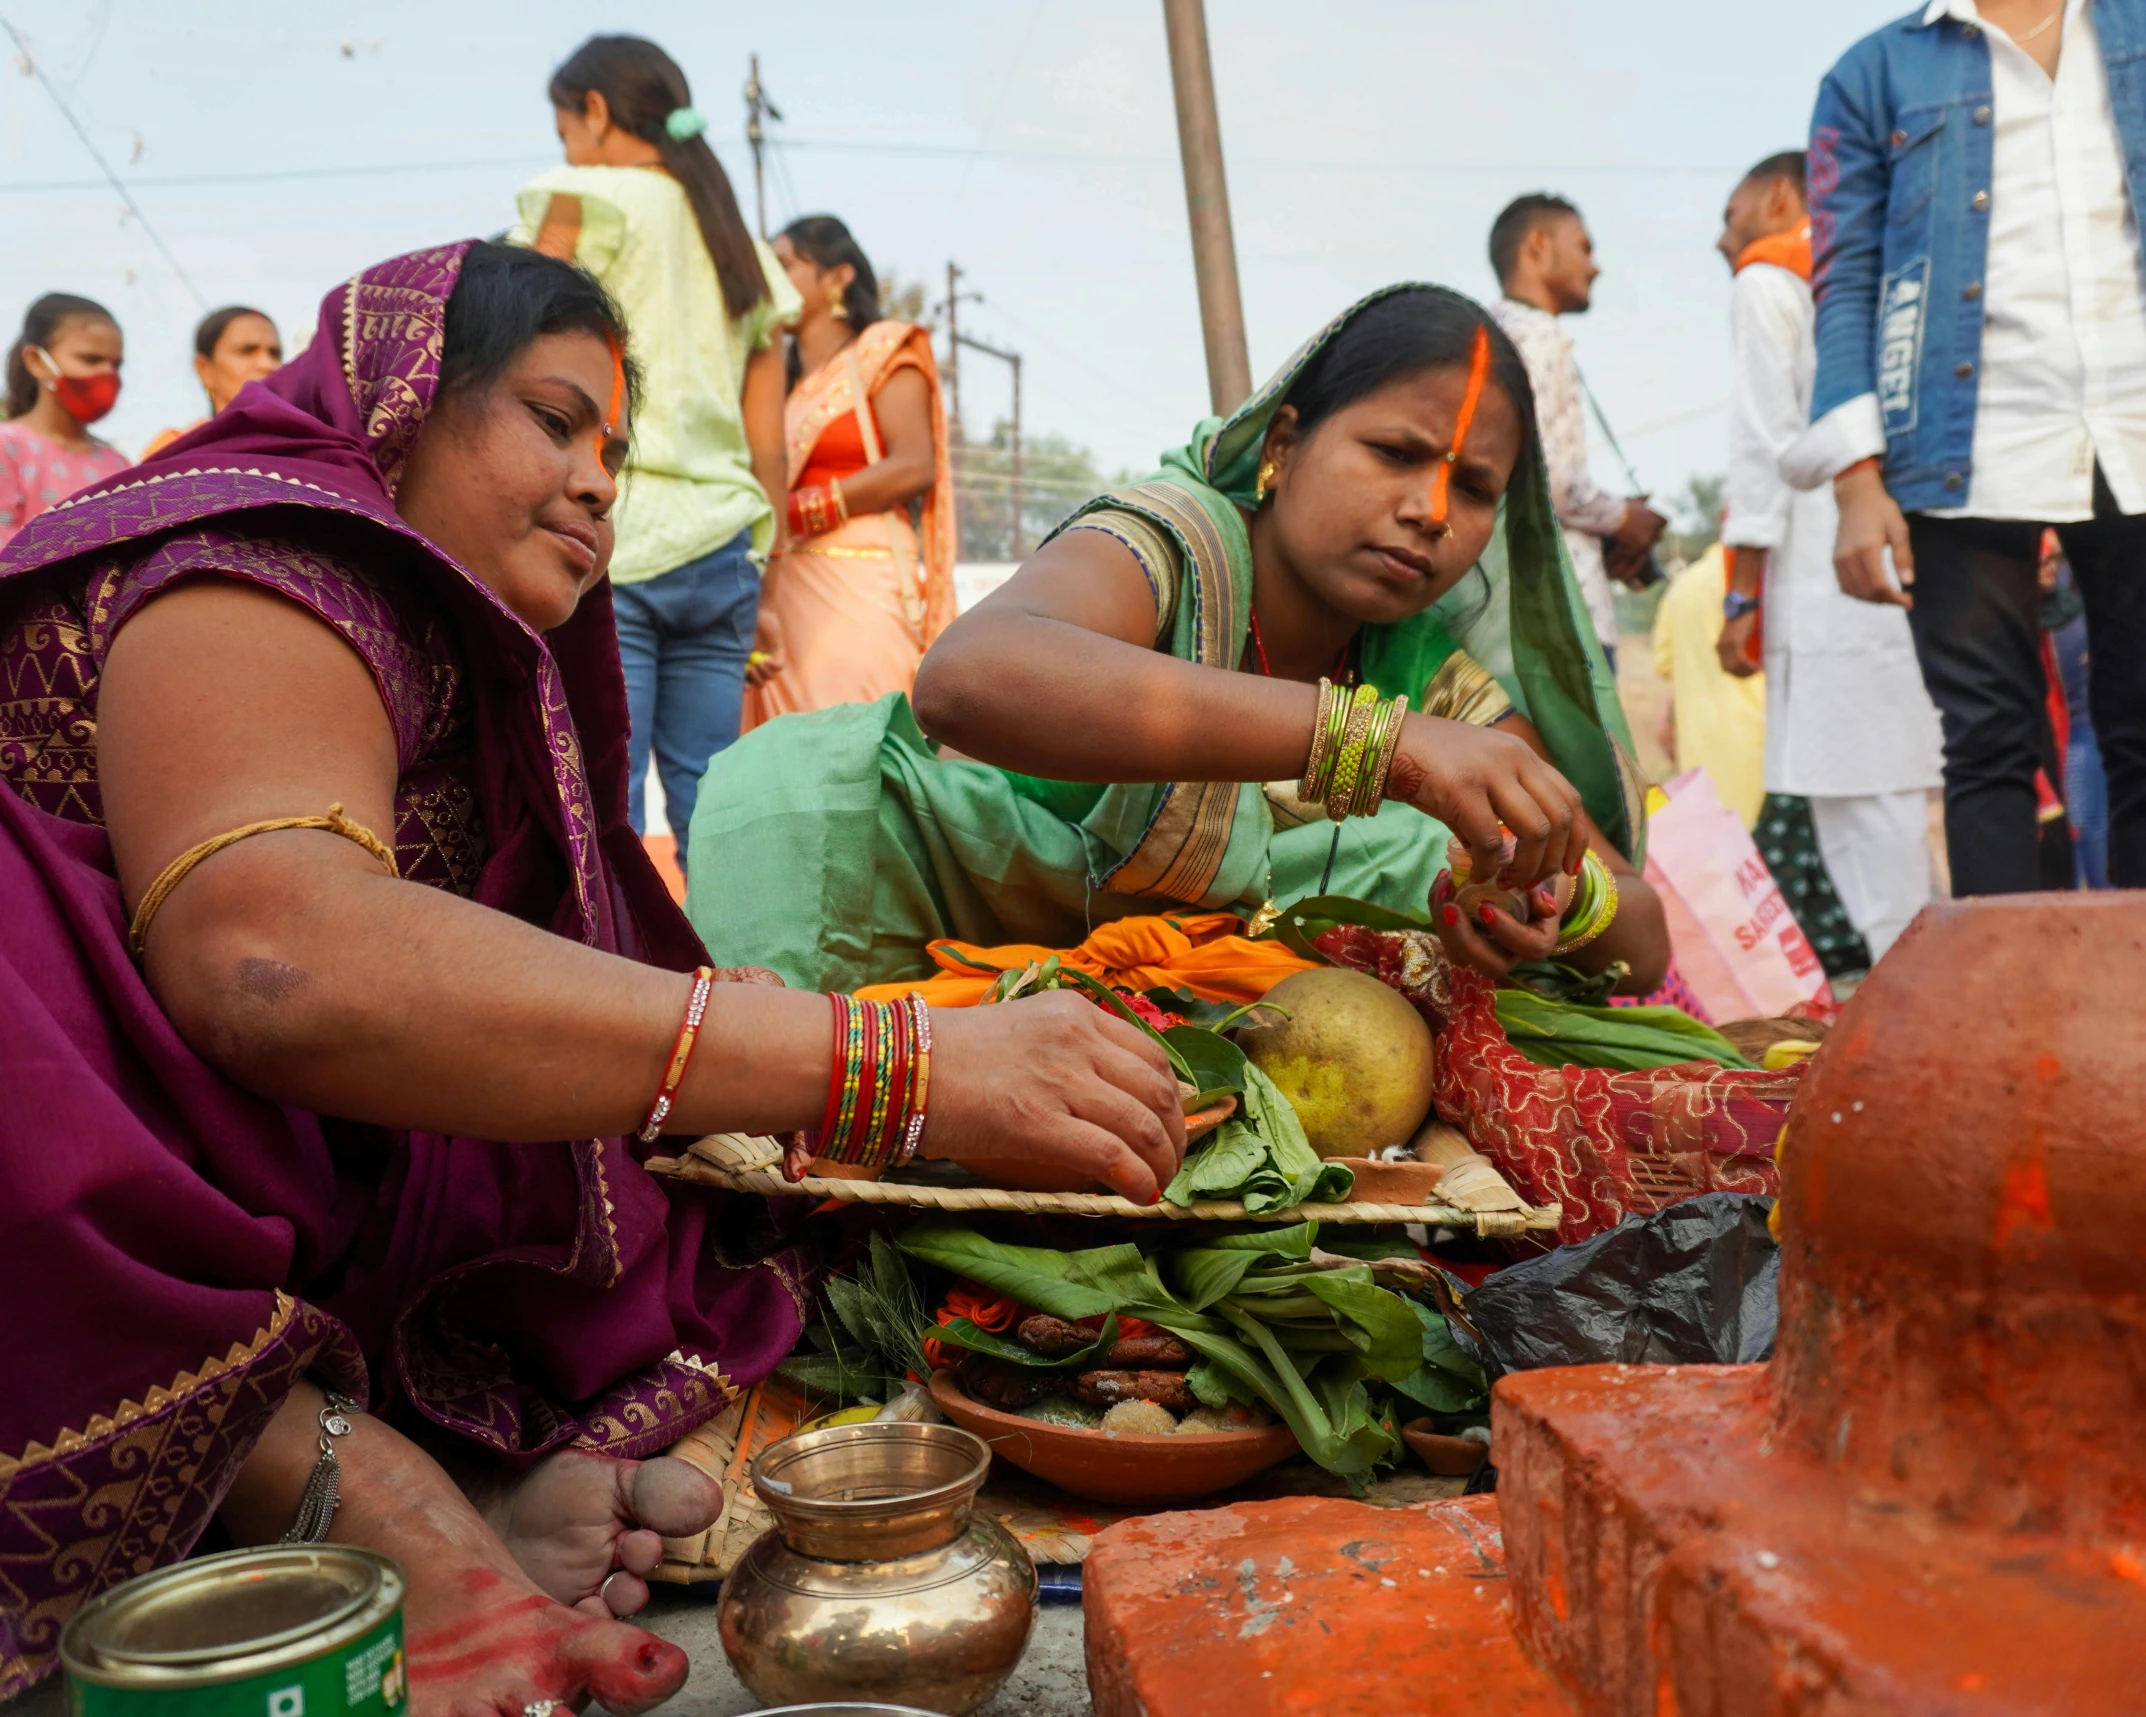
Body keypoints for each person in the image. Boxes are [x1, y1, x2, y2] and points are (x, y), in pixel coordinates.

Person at [0, 242, 1184, 1711]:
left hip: (228, 1152)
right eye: (553, 420)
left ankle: (390, 1459)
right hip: (61, 1140)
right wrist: (893, 1064)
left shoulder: (434, 649)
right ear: (406, 398)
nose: (597, 480)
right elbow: (275, 961)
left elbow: (461, 997)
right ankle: (329, 1474)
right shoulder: (264, 550)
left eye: (615, 447)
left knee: (656, 1154)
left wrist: (732, 1034)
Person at [686, 284, 1668, 999]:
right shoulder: (1171, 539)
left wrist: (1537, 908)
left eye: (1475, 489)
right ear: (1281, 445)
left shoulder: (1428, 675)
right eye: (1394, 454)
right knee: (809, 784)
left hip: (1241, 1020)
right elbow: (968, 678)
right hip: (974, 927)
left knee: (1419, 865)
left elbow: (1645, 928)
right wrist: (1384, 746)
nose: (1428, 511)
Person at [1803, 0, 2146, 893]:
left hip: (2137, 425)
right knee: (1990, 745)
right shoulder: (1874, 75)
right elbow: (1846, 281)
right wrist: (1855, 479)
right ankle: (2018, 1024)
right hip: (1962, 455)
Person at [516, 34, 800, 865]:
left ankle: (622, 990)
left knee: (602, 798)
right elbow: (768, 443)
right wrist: (768, 570)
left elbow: (515, 360)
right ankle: (743, 980)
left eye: (564, 127)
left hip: (614, 531)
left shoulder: (582, 196)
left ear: (596, 113)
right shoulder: (736, 244)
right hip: (724, 545)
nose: (564, 148)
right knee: (712, 801)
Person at [1713, 150, 1941, 963]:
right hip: (1910, 555)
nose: (1721, 237)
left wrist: (1739, 596)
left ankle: (1912, 999)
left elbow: (1763, 449)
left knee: (1858, 797)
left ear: (1780, 197)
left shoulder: (1767, 276)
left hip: (1826, 569)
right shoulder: (1888, 271)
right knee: (1902, 796)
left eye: (1730, 213)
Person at [742, 214, 956, 727]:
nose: (771, 277)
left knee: (855, 750)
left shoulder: (882, 351)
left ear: (838, 278)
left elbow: (914, 465)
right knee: (785, 768)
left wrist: (804, 509)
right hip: (780, 596)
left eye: (786, 264)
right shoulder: (782, 383)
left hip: (858, 585)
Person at [1488, 194, 1667, 666]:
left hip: (1514, 605)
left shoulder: (1491, 332)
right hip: (1566, 613)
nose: (1595, 267)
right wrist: (1627, 519)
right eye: (1584, 248)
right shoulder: (1538, 334)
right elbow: (1549, 480)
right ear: (1538, 247)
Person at [1652, 544, 1770, 828]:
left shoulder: (1683, 587)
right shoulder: (1767, 577)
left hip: (1698, 747)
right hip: (1762, 741)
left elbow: (1665, 662)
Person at [0, 293, 128, 549]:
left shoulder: (119, 464)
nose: (107, 373)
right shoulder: (7, 447)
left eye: (115, 364)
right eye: (90, 359)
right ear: (37, 362)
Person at [142, 303, 285, 457]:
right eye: (246, 351)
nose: (268, 365)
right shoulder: (174, 448)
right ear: (204, 369)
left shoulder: (300, 445)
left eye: (275, 354)